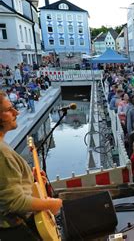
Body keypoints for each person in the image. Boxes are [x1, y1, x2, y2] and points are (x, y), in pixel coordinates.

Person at [0, 90, 63, 240]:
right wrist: (50, 204)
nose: (16, 112)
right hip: (17, 229)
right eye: (9, 110)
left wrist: (29, 179)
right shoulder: (2, 152)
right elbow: (13, 202)